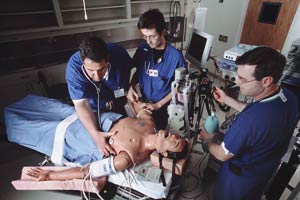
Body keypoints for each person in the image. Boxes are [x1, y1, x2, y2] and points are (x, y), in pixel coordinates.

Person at [200, 46, 298, 200]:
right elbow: (257, 110)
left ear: (266, 81)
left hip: (238, 181)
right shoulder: (288, 97)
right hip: (263, 171)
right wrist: (227, 100)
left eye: (243, 79)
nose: (238, 82)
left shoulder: (248, 122)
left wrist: (207, 142)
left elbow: (222, 155)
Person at [26, 109, 188, 181]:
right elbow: (139, 106)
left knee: (23, 125)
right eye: (178, 137)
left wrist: (50, 175)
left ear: (163, 153)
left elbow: (87, 171)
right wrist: (137, 100)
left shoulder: (129, 157)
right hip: (85, 116)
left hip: (75, 136)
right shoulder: (149, 122)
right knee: (36, 105)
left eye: (174, 143)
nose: (174, 136)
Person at [65, 36, 132, 157]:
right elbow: (81, 104)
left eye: (101, 69)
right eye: (90, 70)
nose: (96, 76)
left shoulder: (120, 55)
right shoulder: (74, 68)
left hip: (117, 101)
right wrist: (95, 134)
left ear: (108, 59)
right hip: (93, 109)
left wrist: (131, 88)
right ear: (82, 61)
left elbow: (127, 82)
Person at [127, 9, 187, 130]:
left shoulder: (175, 57)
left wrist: (158, 105)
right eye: (145, 36)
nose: (148, 41)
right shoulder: (143, 49)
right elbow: (139, 71)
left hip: (163, 106)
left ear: (163, 32)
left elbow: (179, 86)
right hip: (144, 102)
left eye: (152, 36)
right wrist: (131, 86)